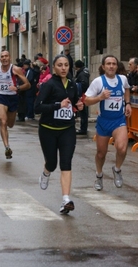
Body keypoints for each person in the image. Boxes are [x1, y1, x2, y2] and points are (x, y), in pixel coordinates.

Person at [34, 54, 84, 214]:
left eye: (66, 65)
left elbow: (74, 101)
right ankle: (46, 172)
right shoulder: (48, 85)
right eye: (60, 65)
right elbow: (37, 107)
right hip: (48, 129)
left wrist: (78, 105)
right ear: (54, 67)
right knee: (52, 163)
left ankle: (66, 199)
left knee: (66, 163)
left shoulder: (72, 84)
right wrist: (57, 105)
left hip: (67, 130)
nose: (63, 68)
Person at [84, 55, 132, 191]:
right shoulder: (98, 82)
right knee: (101, 153)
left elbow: (127, 89)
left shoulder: (122, 79)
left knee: (122, 148)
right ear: (103, 67)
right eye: (108, 64)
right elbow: (86, 101)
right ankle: (99, 175)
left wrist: (128, 103)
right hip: (104, 122)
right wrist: (100, 97)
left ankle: (117, 169)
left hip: (119, 120)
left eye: (114, 64)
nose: (111, 66)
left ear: (117, 66)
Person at [0, 50, 30, 159]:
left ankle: (7, 139)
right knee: (3, 121)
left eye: (6, 56)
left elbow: (28, 84)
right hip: (0, 97)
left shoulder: (15, 69)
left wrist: (17, 88)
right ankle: (7, 147)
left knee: (10, 124)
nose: (4, 58)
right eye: (2, 56)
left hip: (13, 98)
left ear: (10, 58)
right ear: (0, 59)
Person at [74, 60, 90, 135]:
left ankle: (83, 129)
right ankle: (83, 128)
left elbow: (84, 84)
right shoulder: (84, 72)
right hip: (83, 94)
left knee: (83, 113)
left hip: (82, 95)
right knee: (83, 112)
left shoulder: (82, 74)